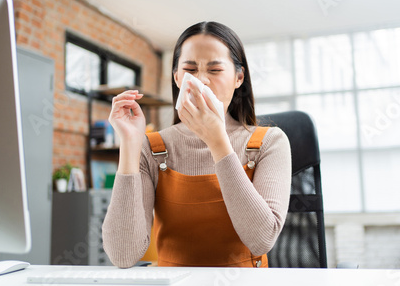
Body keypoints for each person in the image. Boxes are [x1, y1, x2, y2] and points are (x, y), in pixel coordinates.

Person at [102, 21, 291, 268]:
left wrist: (217, 141)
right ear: (177, 78)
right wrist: (129, 144)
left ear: (239, 77)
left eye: (214, 70)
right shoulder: (153, 147)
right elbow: (123, 255)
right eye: (190, 69)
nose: (201, 81)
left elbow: (261, 240)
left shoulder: (270, 142)